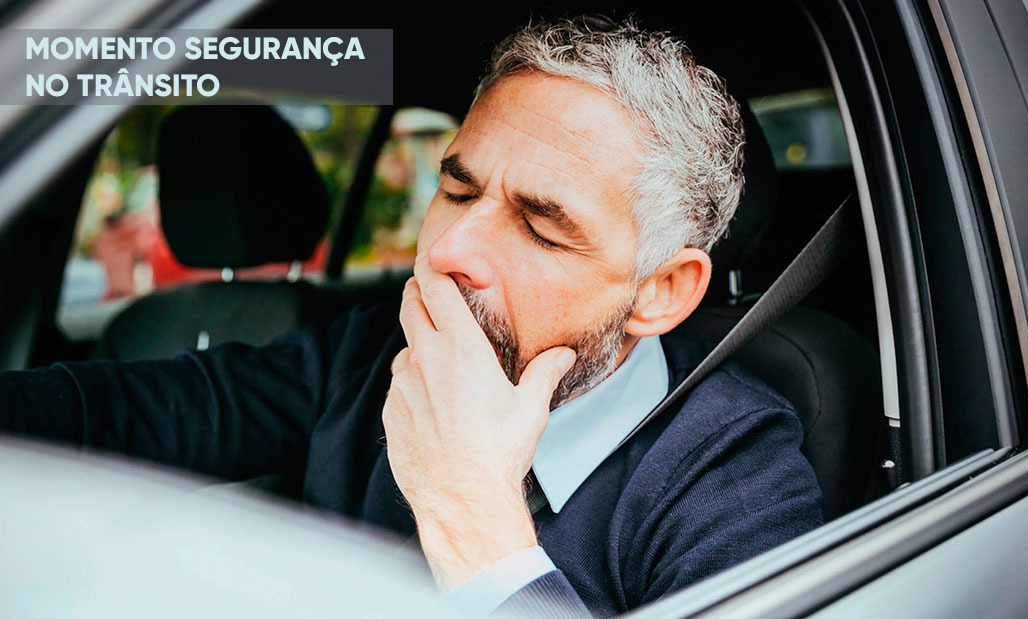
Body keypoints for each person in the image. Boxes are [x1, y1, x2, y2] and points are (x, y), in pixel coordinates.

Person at [0, 16, 823, 618]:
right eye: (458, 189)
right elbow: (138, 409)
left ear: (660, 291)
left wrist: (473, 516)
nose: (447, 250)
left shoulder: (732, 475)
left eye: (541, 225)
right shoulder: (374, 354)